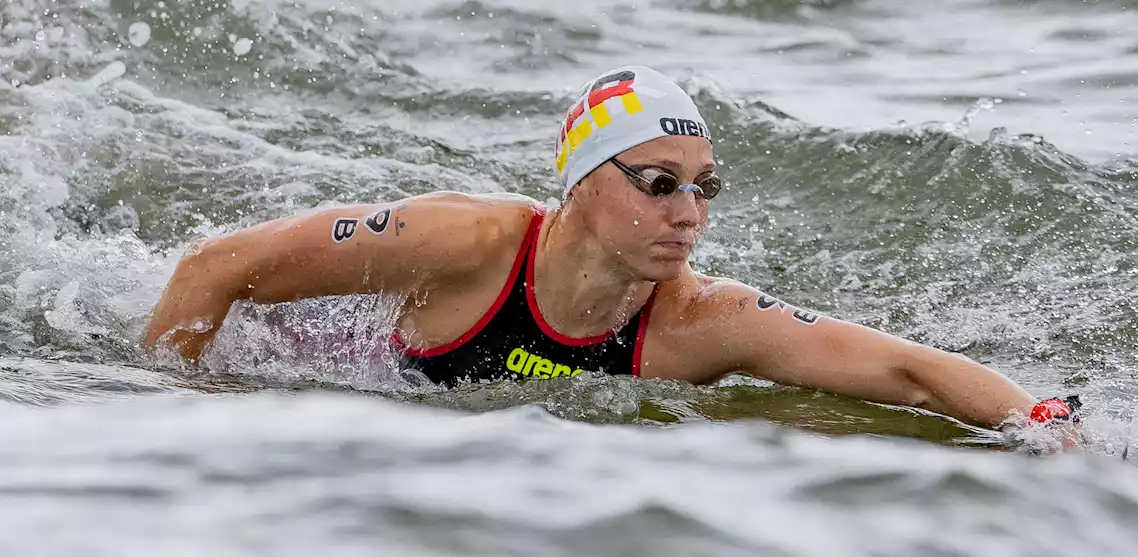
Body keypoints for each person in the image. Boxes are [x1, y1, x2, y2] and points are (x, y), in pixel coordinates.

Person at [144, 65, 1076, 431]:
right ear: (583, 186)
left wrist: (1043, 426)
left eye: (704, 187)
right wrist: (176, 409)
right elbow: (214, 270)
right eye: (658, 183)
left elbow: (906, 369)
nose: (689, 212)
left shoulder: (698, 324)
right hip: (321, 372)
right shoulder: (464, 241)